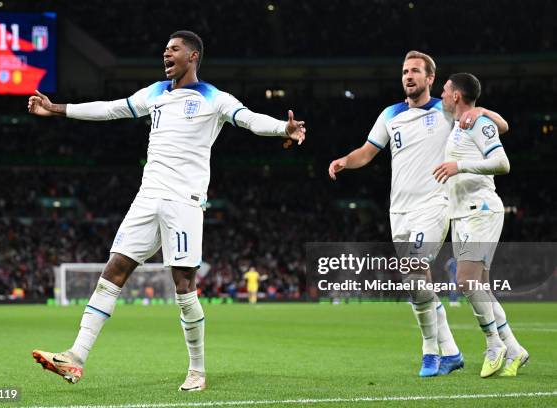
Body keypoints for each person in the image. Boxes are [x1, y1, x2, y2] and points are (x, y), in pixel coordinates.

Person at [28, 30, 306, 391]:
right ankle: (76, 356)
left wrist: (282, 127)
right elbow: (111, 108)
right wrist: (58, 108)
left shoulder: (214, 98)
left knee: (184, 286)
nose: (165, 54)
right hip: (148, 196)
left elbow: (249, 119)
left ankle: (197, 370)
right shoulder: (155, 93)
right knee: (114, 269)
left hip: (184, 202)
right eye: (164, 50)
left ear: (193, 57)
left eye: (173, 50)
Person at [328, 51, 509, 377]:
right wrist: (344, 161)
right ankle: (449, 352)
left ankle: (430, 350)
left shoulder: (446, 111)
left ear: (430, 79)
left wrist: (482, 109)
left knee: (414, 265)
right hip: (399, 210)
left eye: (415, 71)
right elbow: (367, 153)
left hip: (434, 205)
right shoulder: (390, 114)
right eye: (404, 71)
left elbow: (499, 126)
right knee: (414, 282)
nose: (408, 76)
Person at [433, 72, 528, 378]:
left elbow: (503, 163)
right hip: (462, 214)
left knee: (466, 281)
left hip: (481, 209)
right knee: (481, 287)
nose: (442, 95)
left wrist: (458, 165)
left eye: (445, 91)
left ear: (457, 96)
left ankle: (493, 344)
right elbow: (503, 124)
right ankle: (514, 349)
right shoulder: (462, 123)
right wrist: (486, 111)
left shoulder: (477, 122)